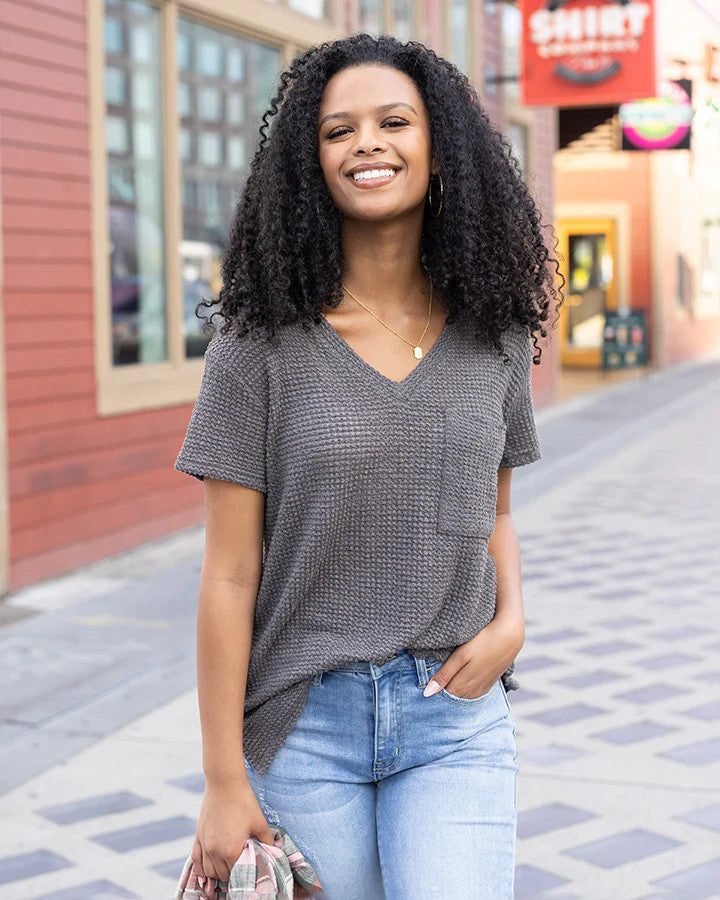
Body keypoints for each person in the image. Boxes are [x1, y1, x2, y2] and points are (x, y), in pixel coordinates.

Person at [174, 32, 562, 900]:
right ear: (311, 162)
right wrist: (221, 778)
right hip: (304, 723)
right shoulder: (259, 342)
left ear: (441, 145)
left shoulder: (493, 328)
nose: (367, 145)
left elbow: (493, 512)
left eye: (394, 121)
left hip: (453, 714)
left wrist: (511, 624)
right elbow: (230, 573)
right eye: (337, 131)